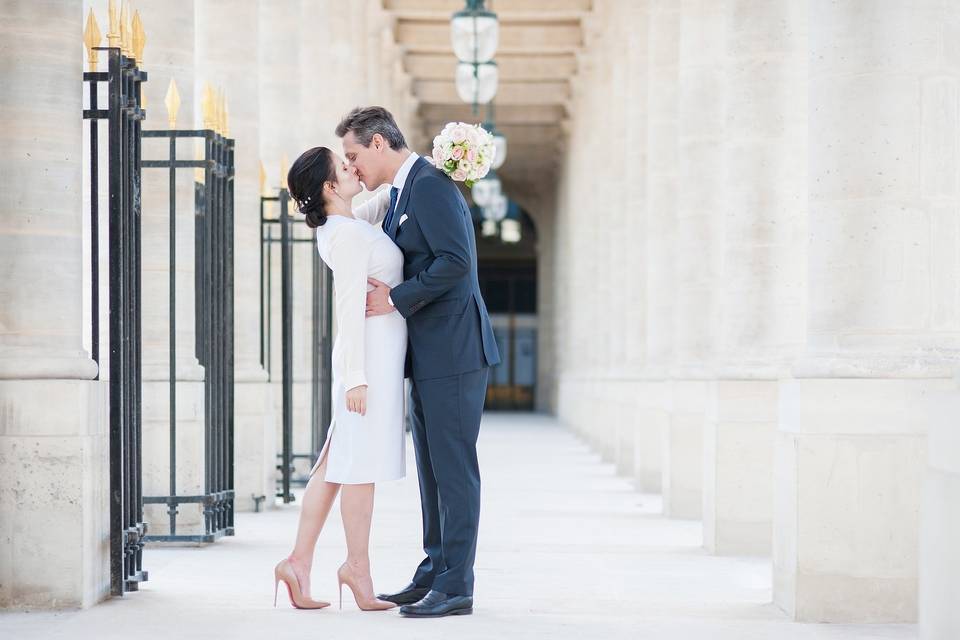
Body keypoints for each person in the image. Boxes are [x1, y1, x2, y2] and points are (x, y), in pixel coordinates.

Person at [336, 106, 501, 618]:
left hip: (454, 351)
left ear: (379, 144)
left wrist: (396, 298)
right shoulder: (402, 191)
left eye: (353, 155)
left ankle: (457, 586)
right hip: (429, 356)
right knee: (432, 470)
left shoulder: (429, 184)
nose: (353, 166)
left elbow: (457, 262)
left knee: (453, 470)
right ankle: (435, 569)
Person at [273, 145, 404, 612]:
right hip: (366, 366)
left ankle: (298, 563)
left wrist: (408, 170)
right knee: (358, 470)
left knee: (334, 466)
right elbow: (347, 311)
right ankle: (357, 569)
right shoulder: (346, 235)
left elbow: (380, 201)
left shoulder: (343, 224)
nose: (353, 167)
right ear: (330, 186)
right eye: (344, 166)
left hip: (370, 362)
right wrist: (355, 380)